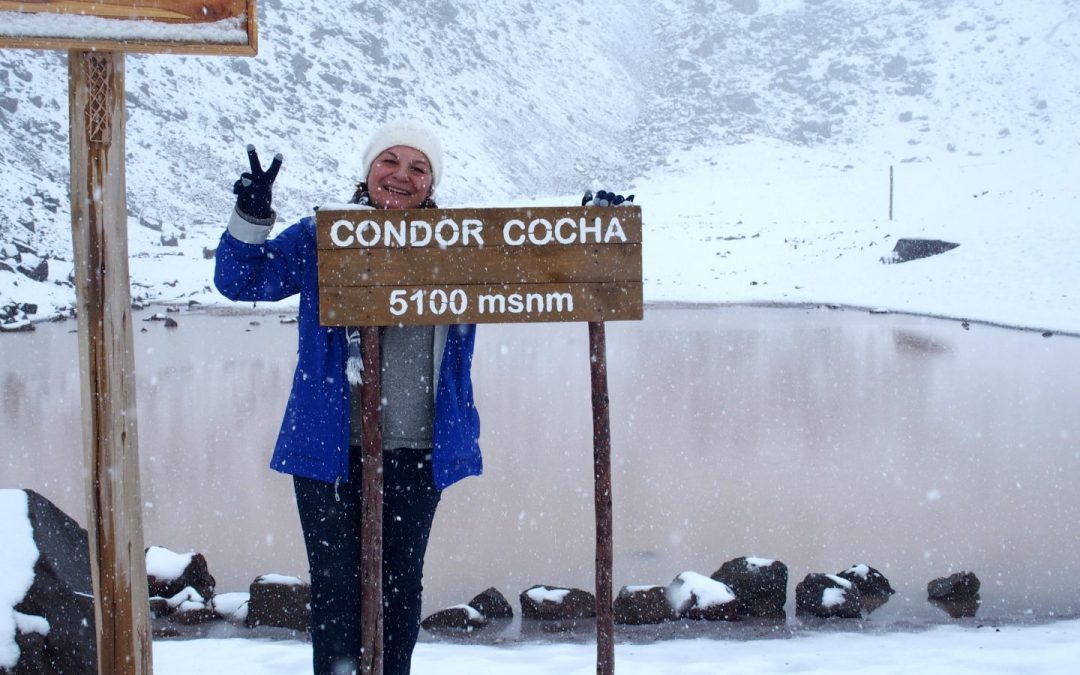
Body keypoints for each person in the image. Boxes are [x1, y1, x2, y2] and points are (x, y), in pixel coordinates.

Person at [214, 120, 482, 675]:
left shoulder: (461, 246)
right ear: (367, 171)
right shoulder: (324, 236)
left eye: (418, 167)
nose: (401, 176)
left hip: (418, 449)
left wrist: (590, 227)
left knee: (400, 589)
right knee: (336, 590)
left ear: (432, 184)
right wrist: (252, 215)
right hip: (331, 448)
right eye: (390, 161)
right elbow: (241, 281)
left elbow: (539, 265)